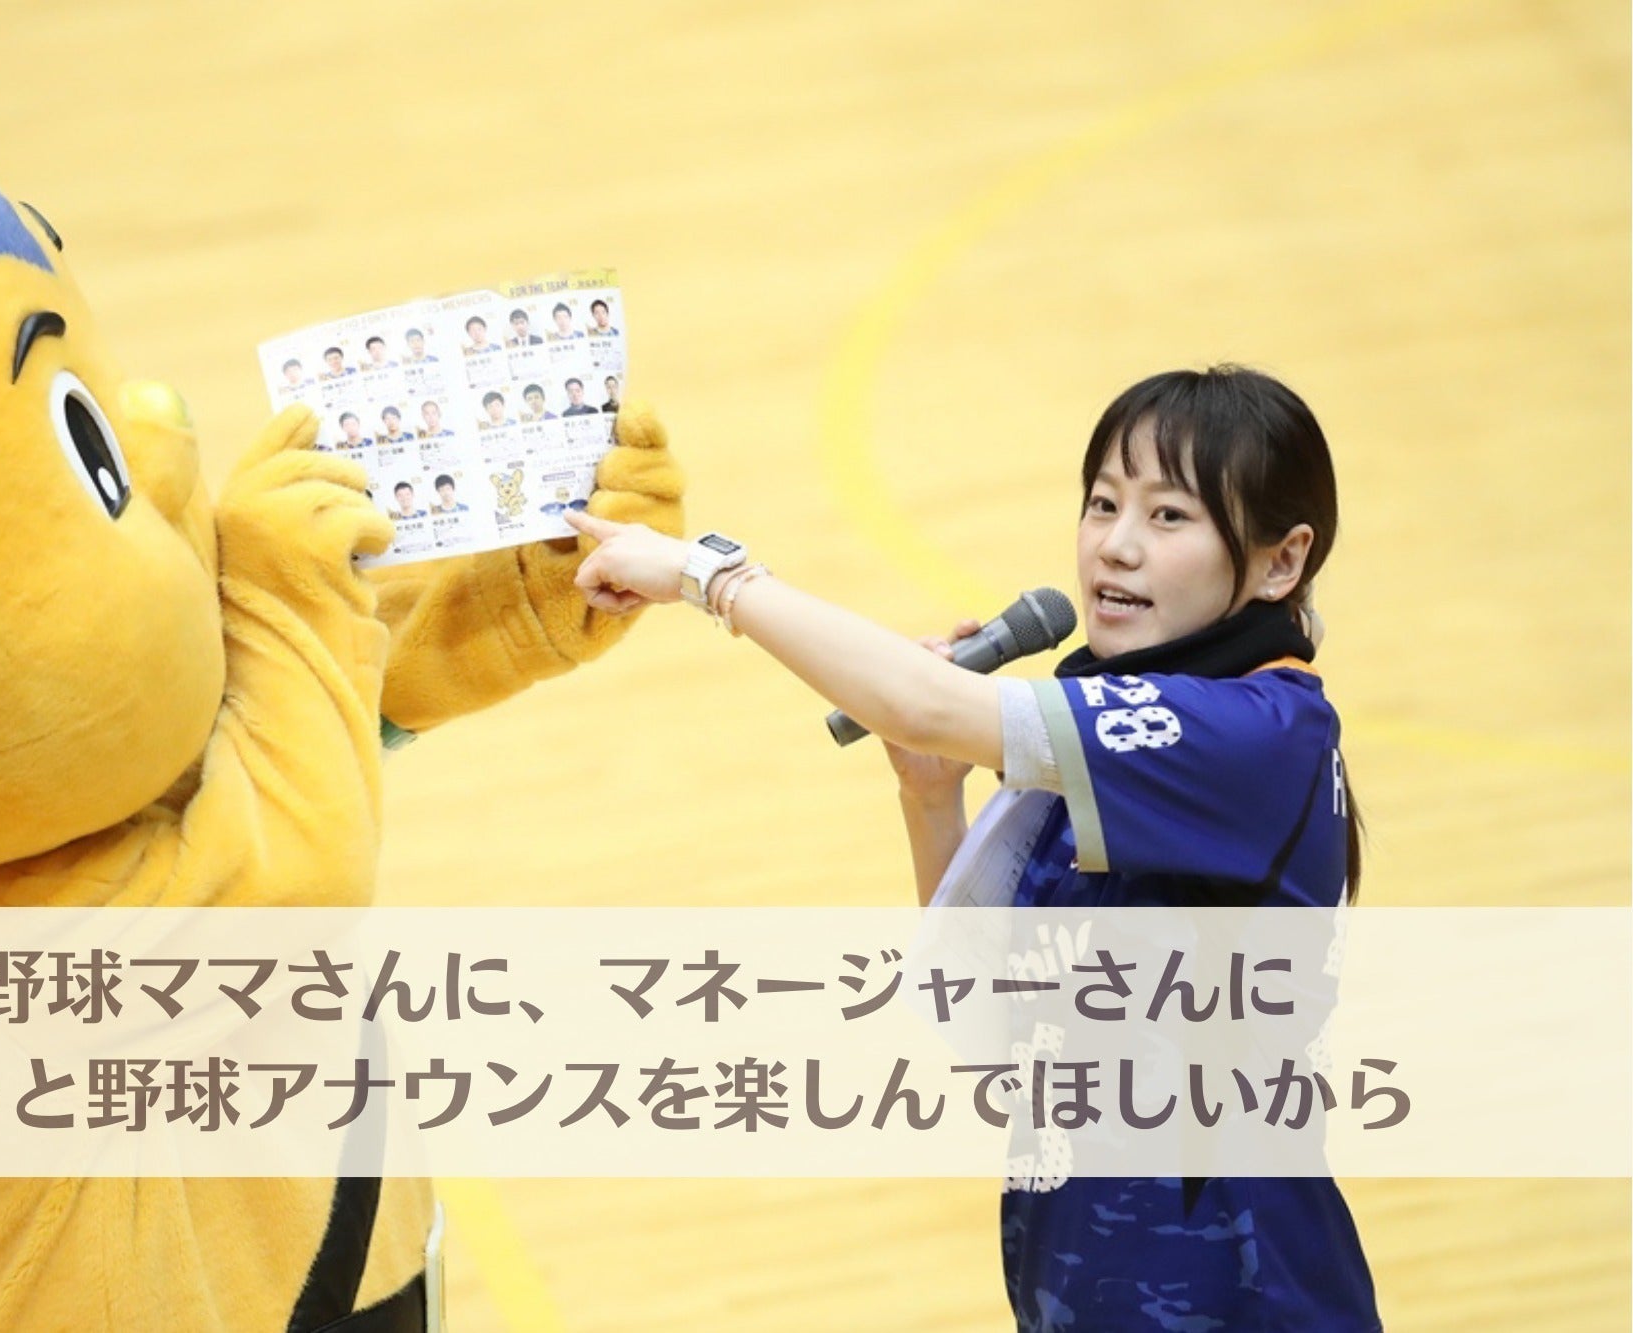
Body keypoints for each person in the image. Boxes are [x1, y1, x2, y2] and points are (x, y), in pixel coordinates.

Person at [564, 366, 1380, 1333]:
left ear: (1282, 562)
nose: (1116, 545)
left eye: (1170, 517)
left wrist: (710, 576)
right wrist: (929, 795)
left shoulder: (1247, 734)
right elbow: (993, 1026)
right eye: (1104, 503)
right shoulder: (1119, 737)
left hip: (1243, 1301)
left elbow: (920, 700)